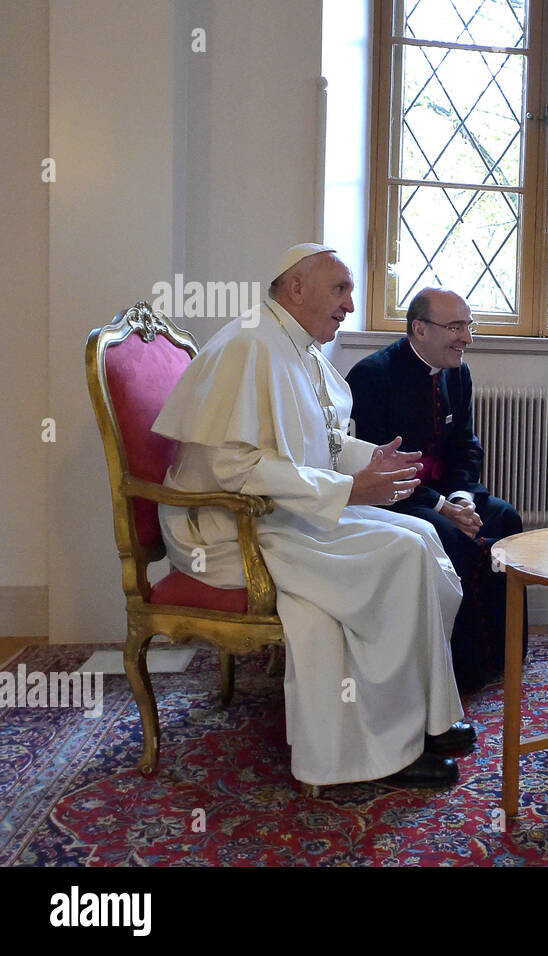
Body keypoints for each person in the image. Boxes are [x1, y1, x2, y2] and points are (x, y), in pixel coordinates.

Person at [152, 243, 476, 789]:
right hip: (229, 526)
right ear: (296, 289)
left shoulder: (296, 346)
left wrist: (368, 463)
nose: (350, 305)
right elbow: (236, 466)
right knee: (398, 555)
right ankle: (384, 752)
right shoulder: (252, 345)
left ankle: (427, 717)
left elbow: (321, 443)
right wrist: (349, 489)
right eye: (341, 289)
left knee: (422, 535)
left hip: (282, 508)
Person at [345, 287, 525, 693]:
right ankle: (454, 667)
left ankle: (500, 653)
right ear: (420, 330)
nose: (467, 338)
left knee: (505, 517)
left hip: (447, 495)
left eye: (468, 325)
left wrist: (462, 497)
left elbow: (466, 446)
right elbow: (373, 467)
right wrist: (442, 507)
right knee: (446, 534)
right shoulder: (371, 377)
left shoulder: (457, 373)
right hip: (393, 501)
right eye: (456, 327)